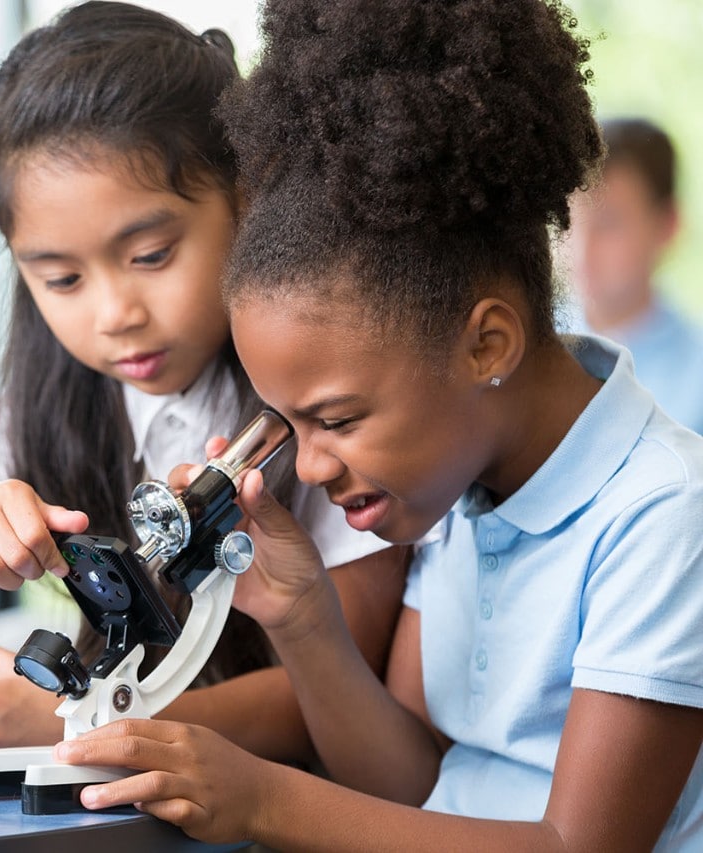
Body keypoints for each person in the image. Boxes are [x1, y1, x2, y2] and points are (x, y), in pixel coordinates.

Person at [56, 0, 703, 849]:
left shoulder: (665, 514)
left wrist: (267, 800)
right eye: (289, 424)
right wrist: (303, 617)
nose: (313, 467)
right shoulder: (457, 490)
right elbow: (415, 789)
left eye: (337, 419)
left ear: (488, 344)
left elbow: (577, 845)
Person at [0, 1, 408, 763]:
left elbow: (330, 696)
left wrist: (78, 722)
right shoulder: (58, 392)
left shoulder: (324, 400)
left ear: (246, 198)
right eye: (60, 278)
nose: (115, 313)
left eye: (151, 255)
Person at [565, 117, 703, 434]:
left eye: (609, 223)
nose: (582, 248)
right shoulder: (525, 348)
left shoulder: (696, 374)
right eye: (570, 222)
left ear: (667, 225)